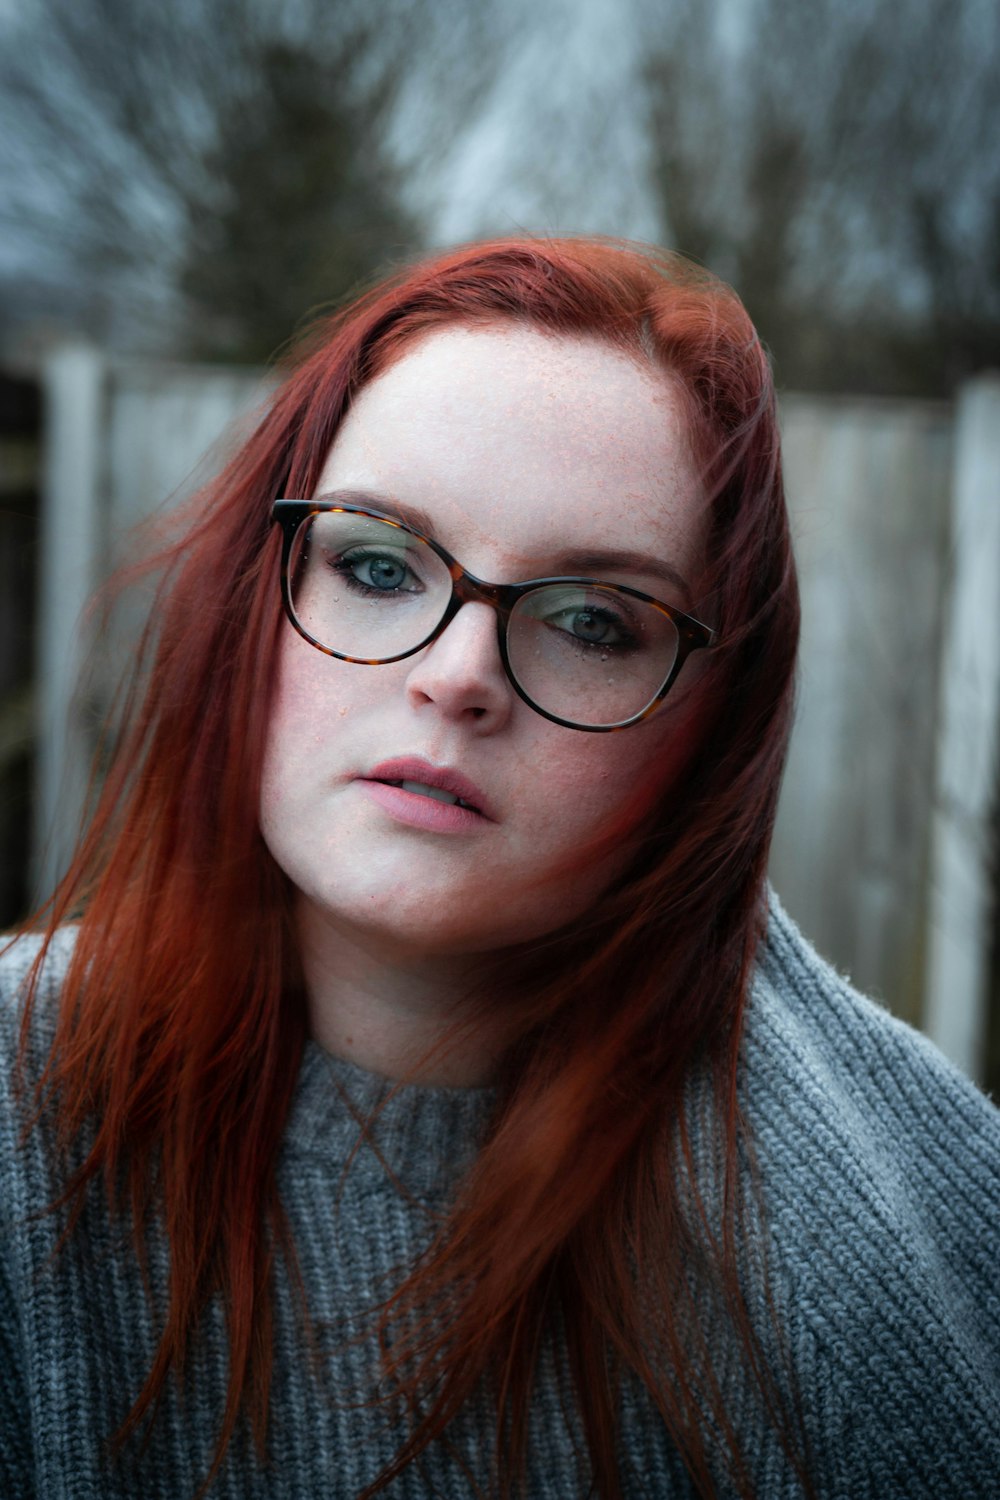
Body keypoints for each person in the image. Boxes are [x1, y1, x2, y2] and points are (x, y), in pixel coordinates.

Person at [1, 237, 997, 1500]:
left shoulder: (896, 1236)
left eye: (590, 620)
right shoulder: (19, 1107)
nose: (457, 675)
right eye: (373, 564)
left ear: (712, 729)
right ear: (253, 600)